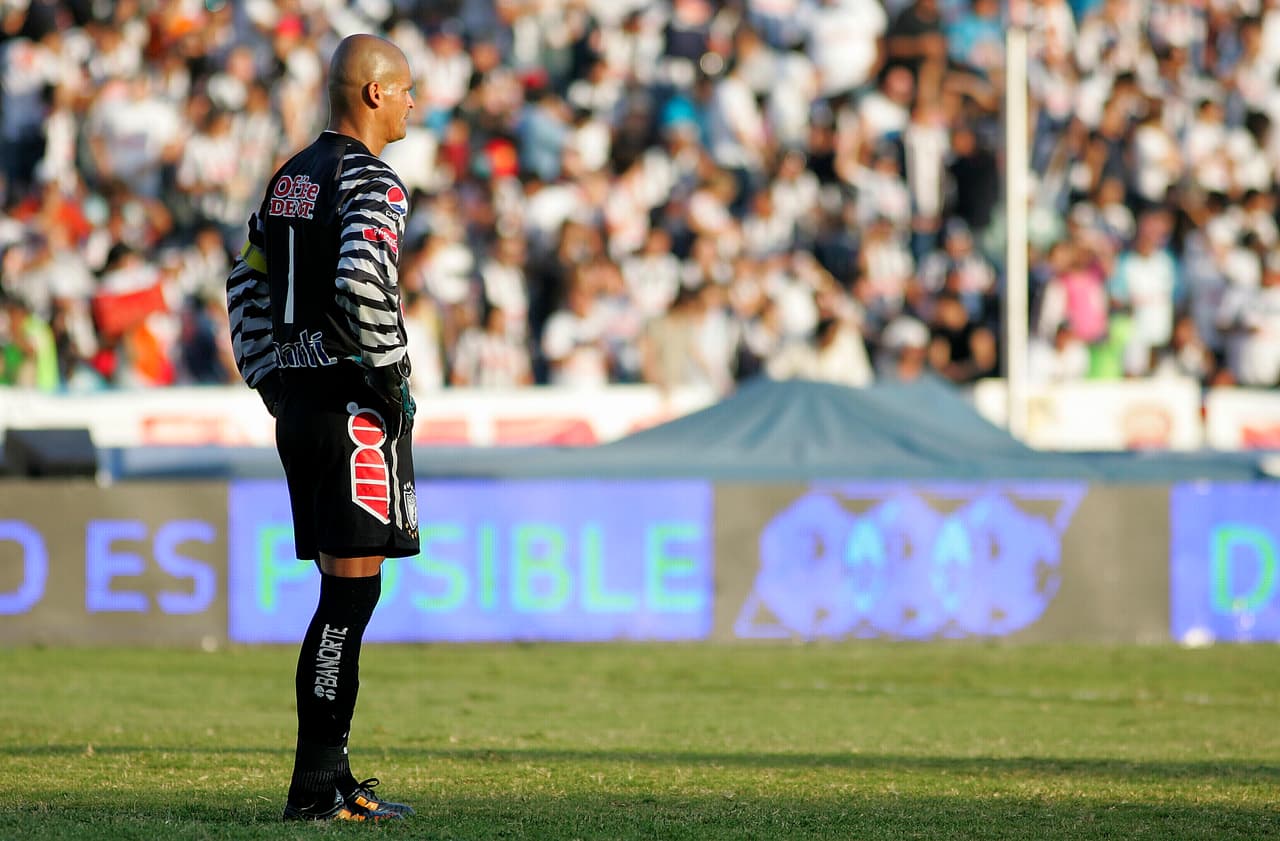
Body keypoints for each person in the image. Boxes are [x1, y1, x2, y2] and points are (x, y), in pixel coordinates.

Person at [225, 33, 419, 823]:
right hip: (349, 410)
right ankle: (316, 787)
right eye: (406, 89)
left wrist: (269, 374)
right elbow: (360, 280)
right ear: (373, 94)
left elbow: (244, 278)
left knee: (343, 597)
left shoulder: (289, 178)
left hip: (300, 405)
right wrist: (394, 376)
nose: (414, 102)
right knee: (349, 602)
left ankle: (328, 778)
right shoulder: (373, 180)